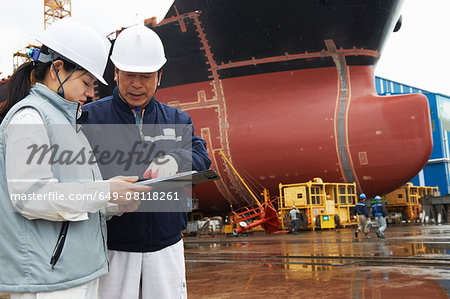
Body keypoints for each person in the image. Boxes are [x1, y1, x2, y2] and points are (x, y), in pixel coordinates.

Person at [0, 19, 149, 298]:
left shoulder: (70, 124)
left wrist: (114, 202)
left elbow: (77, 201)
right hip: (51, 279)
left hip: (79, 272)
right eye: (86, 82)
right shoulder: (30, 118)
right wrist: (105, 191)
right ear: (57, 69)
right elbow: (31, 197)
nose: (91, 92)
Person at [82, 24, 211, 299]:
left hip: (166, 247)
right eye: (129, 75)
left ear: (159, 76)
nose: (137, 84)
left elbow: (201, 156)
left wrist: (176, 159)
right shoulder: (89, 118)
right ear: (116, 73)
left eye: (146, 76)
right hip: (112, 248)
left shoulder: (178, 120)